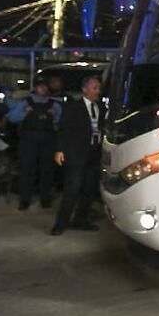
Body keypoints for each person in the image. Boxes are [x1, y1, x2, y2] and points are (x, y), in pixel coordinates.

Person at [51, 76, 106, 235]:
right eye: (94, 88)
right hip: (76, 153)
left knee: (89, 189)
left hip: (94, 153)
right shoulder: (73, 106)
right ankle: (61, 223)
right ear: (85, 89)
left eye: (98, 88)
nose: (98, 91)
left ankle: (81, 219)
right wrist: (60, 150)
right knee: (72, 188)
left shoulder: (99, 107)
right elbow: (64, 128)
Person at [8, 77, 60, 210]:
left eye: (45, 86)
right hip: (29, 139)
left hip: (47, 139)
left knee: (47, 170)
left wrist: (54, 117)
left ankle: (45, 199)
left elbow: (61, 121)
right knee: (27, 170)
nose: (44, 88)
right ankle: (25, 200)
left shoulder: (54, 104)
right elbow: (12, 118)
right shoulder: (25, 103)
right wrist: (24, 113)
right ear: (35, 88)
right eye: (40, 86)